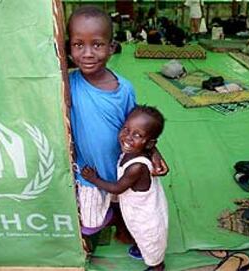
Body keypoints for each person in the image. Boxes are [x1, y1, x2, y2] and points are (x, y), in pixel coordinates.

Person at [67, 6, 168, 249]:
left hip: (123, 168)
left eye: (97, 44)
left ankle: (124, 227)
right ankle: (92, 236)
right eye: (78, 44)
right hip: (88, 172)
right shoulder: (67, 84)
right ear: (68, 48)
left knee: (127, 206)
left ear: (112, 47)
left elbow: (140, 126)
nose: (88, 53)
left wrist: (153, 153)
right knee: (90, 222)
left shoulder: (123, 89)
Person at [81, 105, 168, 271]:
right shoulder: (133, 151)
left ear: (150, 143)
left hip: (146, 216)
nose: (127, 137)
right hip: (137, 208)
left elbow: (116, 188)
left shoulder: (136, 167)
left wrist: (94, 178)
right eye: (126, 129)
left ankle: (157, 266)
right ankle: (141, 248)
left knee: (150, 240)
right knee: (141, 237)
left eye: (137, 135)